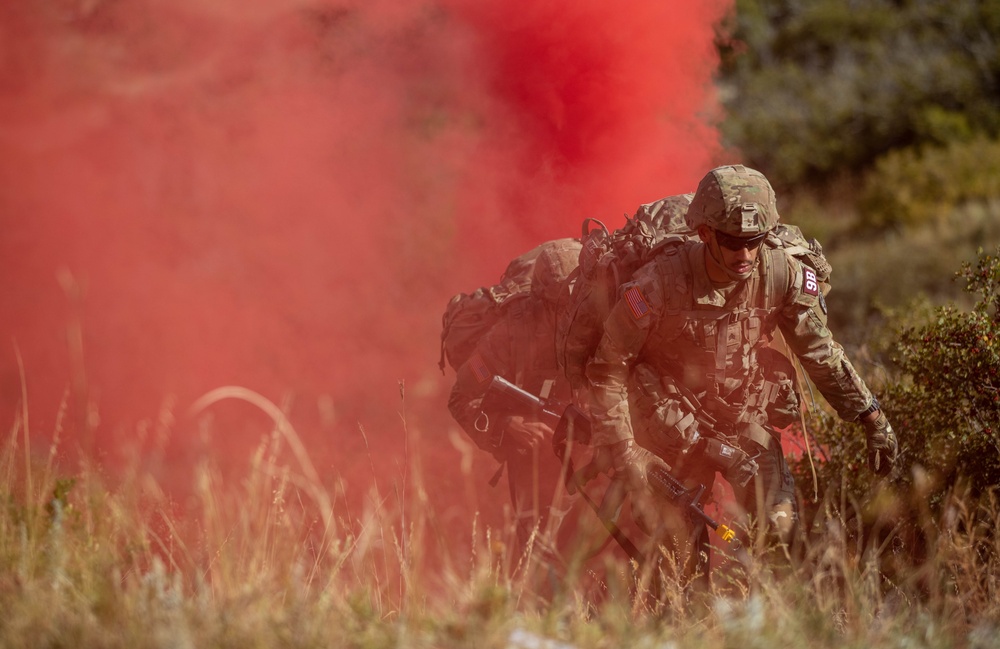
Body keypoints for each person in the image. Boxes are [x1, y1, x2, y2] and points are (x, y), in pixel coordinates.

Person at [581, 164, 899, 558]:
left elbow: (819, 351)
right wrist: (626, 451)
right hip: (671, 429)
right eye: (732, 241)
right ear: (705, 233)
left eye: (756, 240)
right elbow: (607, 371)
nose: (745, 254)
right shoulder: (657, 284)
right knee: (683, 554)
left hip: (743, 420)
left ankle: (767, 611)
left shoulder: (781, 273)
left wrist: (871, 416)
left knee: (782, 537)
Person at [448, 238, 585, 573]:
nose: (570, 311)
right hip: (535, 451)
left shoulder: (596, 315)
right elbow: (462, 398)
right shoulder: (509, 335)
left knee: (598, 538)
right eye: (560, 304)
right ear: (541, 301)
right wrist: (506, 427)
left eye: (577, 300)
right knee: (538, 551)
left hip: (590, 442)